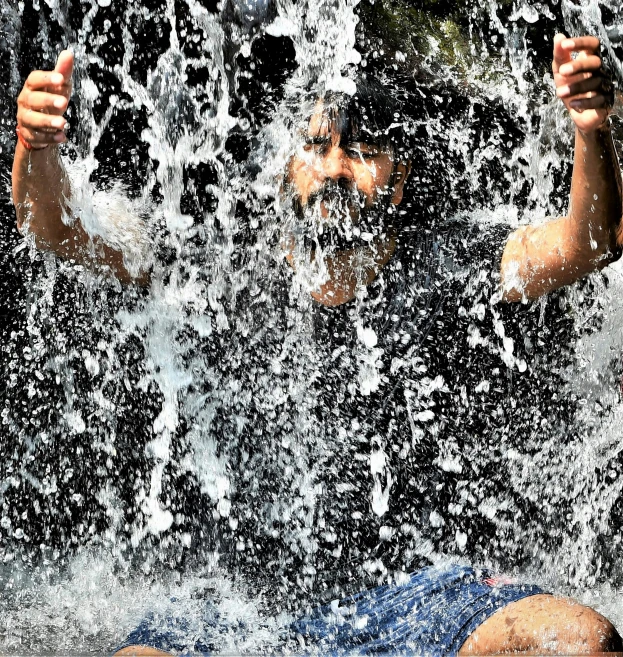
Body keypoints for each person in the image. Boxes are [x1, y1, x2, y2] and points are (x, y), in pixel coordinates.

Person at [12, 26, 623, 655]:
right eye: (315, 145)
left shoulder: (446, 263)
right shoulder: (219, 267)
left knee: (581, 640)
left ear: (401, 176)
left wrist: (589, 128)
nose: (334, 168)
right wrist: (36, 147)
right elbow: (57, 228)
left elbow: (589, 243)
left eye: (362, 149)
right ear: (285, 164)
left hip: (423, 590)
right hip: (241, 602)